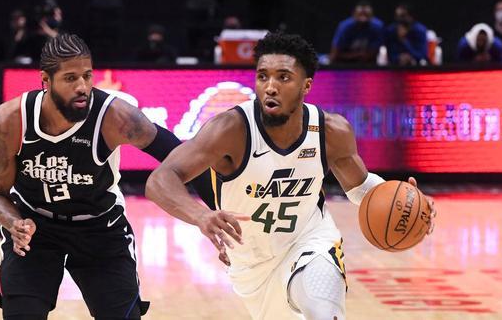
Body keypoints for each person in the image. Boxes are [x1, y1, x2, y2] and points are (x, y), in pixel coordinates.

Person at [146, 32, 435, 319]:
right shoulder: (230, 129)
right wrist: (200, 215)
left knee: (323, 311)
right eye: (263, 77)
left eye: (283, 77)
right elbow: (160, 180)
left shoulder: (330, 131)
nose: (270, 87)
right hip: (251, 265)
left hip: (310, 240)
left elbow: (361, 189)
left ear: (306, 85)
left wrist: (410, 203)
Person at [0, 33, 212, 318]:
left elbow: (184, 158)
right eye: (70, 78)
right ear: (45, 80)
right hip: (35, 228)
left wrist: (211, 214)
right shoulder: (9, 121)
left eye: (87, 76)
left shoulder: (117, 117)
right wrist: (14, 223)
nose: (82, 87)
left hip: (99, 228)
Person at [13, 0, 63, 64]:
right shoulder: (31, 37)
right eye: (53, 14)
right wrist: (21, 30)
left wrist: (47, 30)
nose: (57, 17)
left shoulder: (62, 34)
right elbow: (17, 52)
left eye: (58, 14)